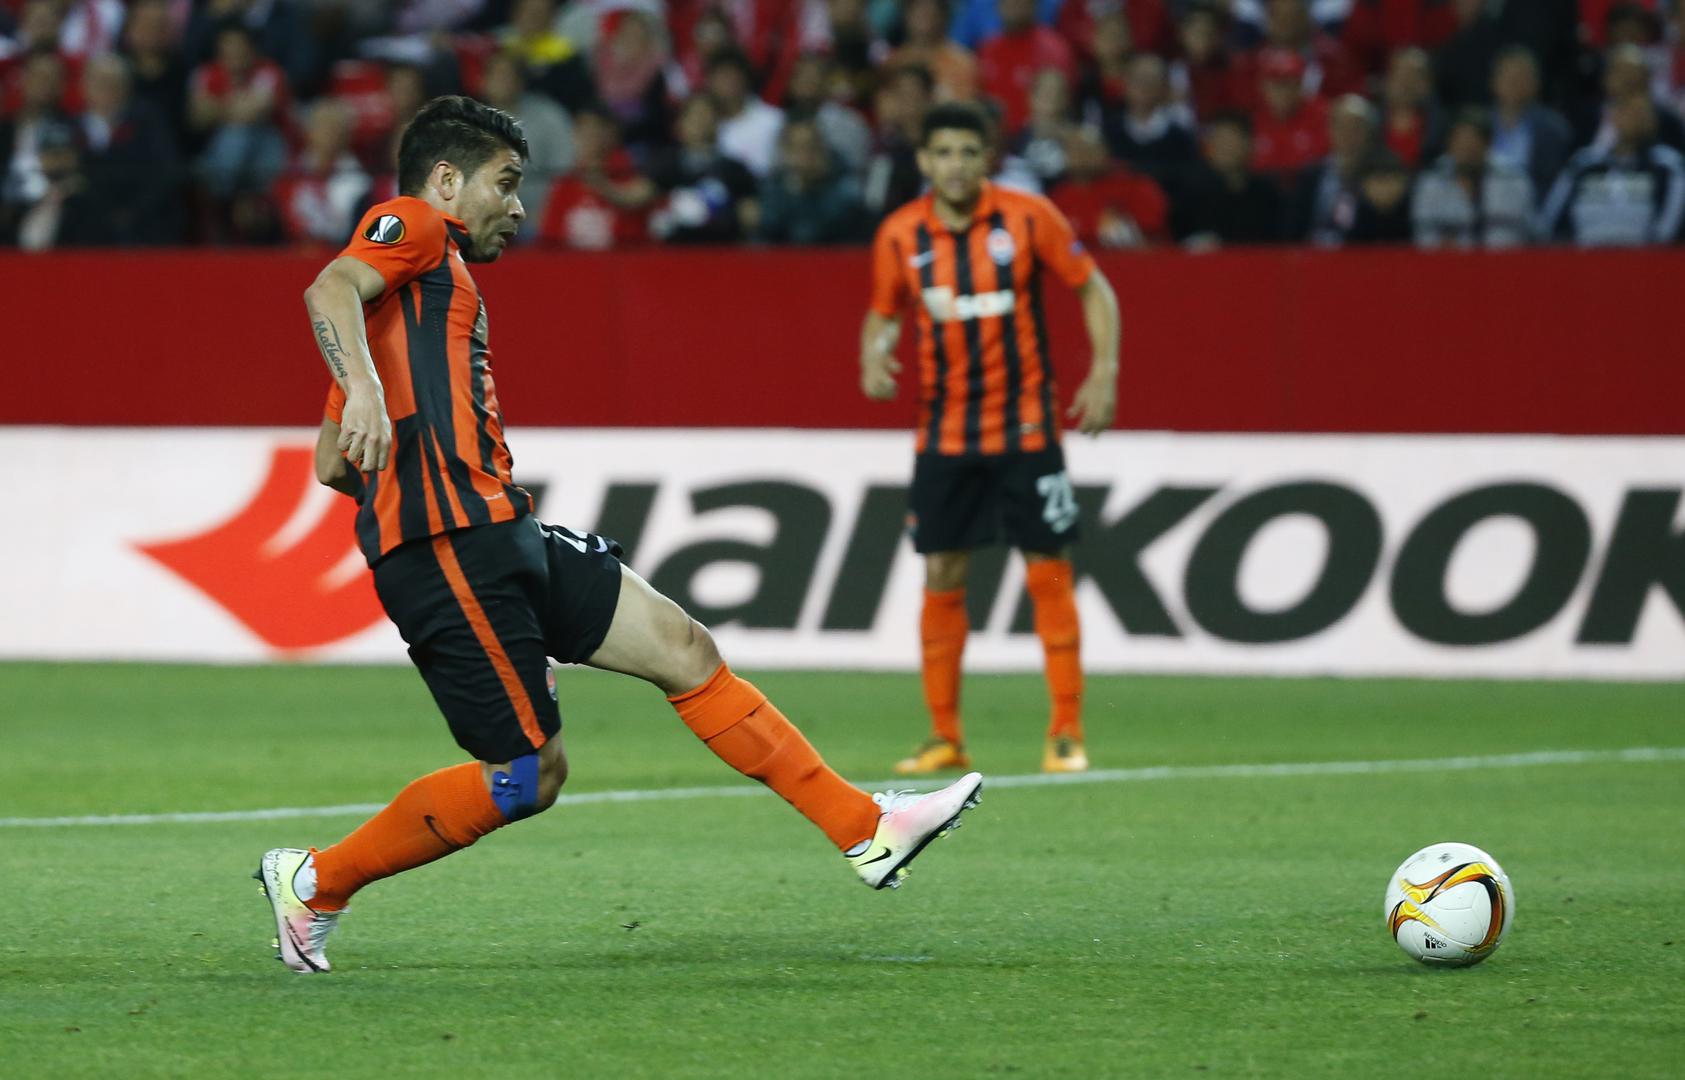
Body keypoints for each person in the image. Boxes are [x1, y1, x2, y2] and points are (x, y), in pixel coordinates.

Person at [259, 95, 983, 975]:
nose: (517, 206)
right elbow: (328, 286)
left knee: (684, 648)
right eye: (504, 183)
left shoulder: (401, 312)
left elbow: (332, 465)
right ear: (445, 180)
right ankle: (315, 882)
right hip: (449, 546)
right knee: (525, 778)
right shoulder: (411, 224)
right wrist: (376, 405)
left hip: (500, 527)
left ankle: (866, 828)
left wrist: (380, 414)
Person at [857, 102, 1120, 777]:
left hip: (1027, 427)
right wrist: (873, 355)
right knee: (942, 574)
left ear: (987, 159)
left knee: (1048, 567)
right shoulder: (900, 234)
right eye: (943, 152)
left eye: (968, 152)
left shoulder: (1028, 218)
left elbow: (1093, 290)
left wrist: (1103, 371)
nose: (956, 165)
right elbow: (883, 313)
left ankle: (1066, 730)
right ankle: (945, 735)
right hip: (944, 435)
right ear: (924, 161)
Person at [1411, 108, 1533, 249]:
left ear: (1487, 144)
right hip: (1448, 261)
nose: (1466, 150)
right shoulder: (1430, 182)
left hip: (1506, 259)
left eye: (1473, 142)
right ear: (1449, 145)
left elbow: (1531, 232)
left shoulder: (1513, 180)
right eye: (1460, 142)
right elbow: (1422, 235)